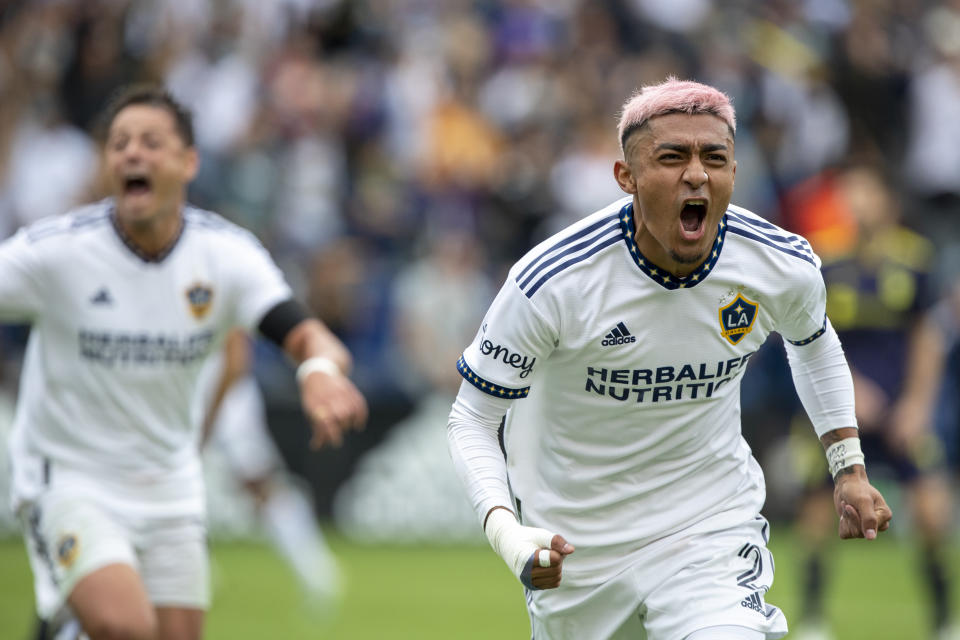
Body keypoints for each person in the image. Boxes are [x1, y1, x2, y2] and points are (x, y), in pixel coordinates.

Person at [446, 78, 892, 640]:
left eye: (715, 157)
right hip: (580, 552)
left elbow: (814, 343)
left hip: (708, 532)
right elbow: (472, 418)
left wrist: (847, 467)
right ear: (625, 178)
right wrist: (507, 532)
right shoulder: (553, 282)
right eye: (672, 157)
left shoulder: (780, 264)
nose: (697, 174)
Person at [2, 85, 367, 640]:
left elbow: (308, 334)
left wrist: (317, 373)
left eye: (151, 142)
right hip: (70, 476)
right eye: (119, 143)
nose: (132, 154)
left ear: (189, 162)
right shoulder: (55, 253)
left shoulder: (226, 255)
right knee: (125, 627)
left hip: (169, 481)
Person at [786, 165, 952, 640]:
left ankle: (944, 621)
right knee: (817, 513)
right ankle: (814, 621)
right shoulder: (823, 259)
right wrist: (851, 391)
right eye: (848, 195)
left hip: (900, 413)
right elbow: (808, 336)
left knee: (932, 514)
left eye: (865, 193)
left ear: (886, 201)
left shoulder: (915, 259)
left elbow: (927, 336)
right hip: (837, 413)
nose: (856, 204)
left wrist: (918, 405)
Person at [198, 329, 341, 608]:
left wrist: (210, 415)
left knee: (259, 483)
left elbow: (237, 356)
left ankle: (316, 569)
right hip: (182, 392)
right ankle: (192, 570)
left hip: (227, 393)